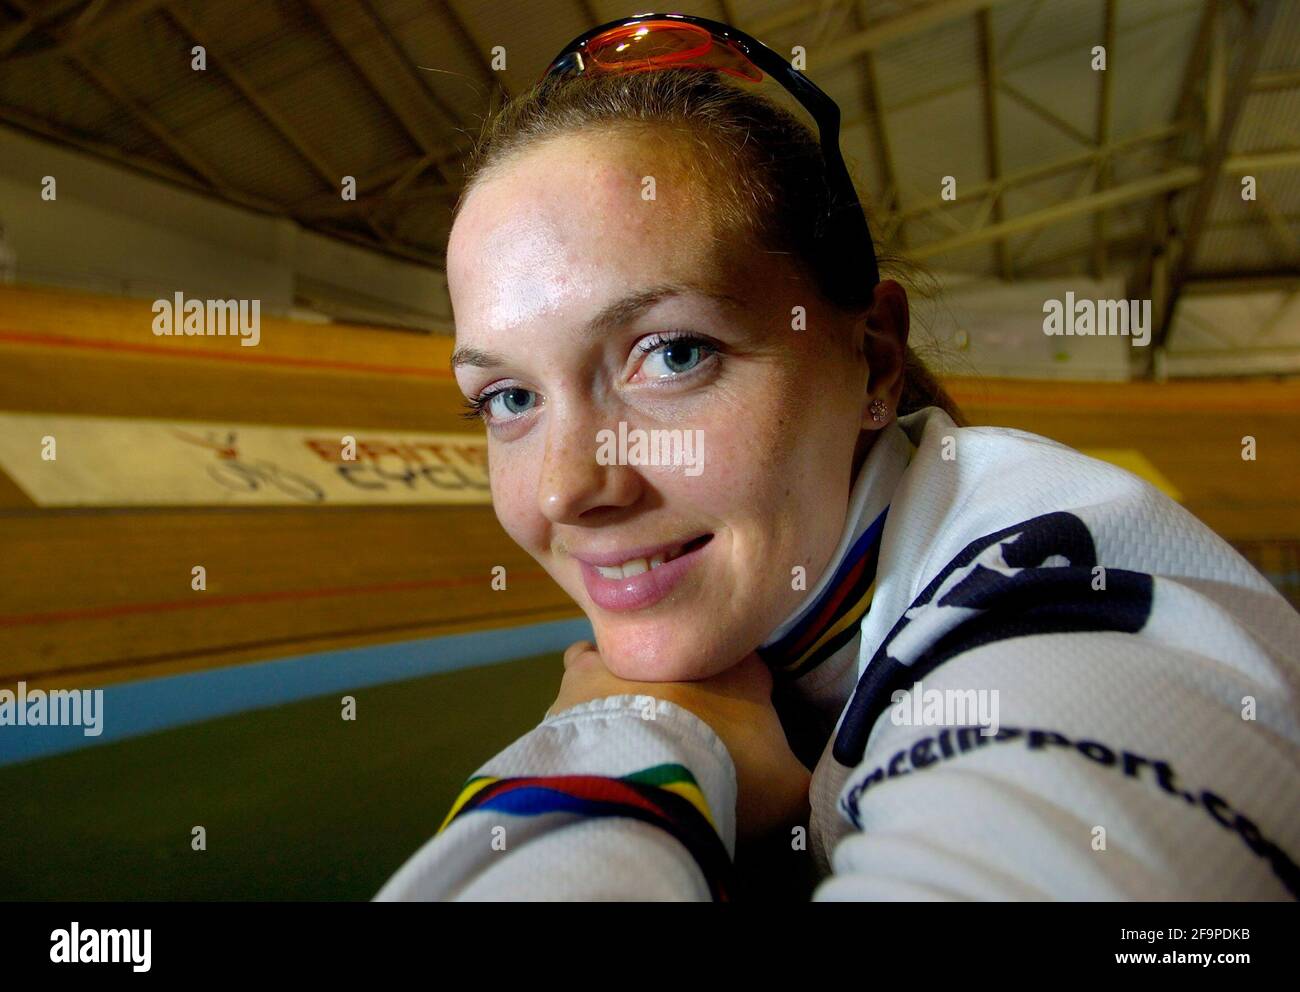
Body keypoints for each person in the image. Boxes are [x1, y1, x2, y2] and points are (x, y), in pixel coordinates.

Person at [375, 14, 1300, 901]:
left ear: (876, 361)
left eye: (673, 352)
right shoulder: (783, 590)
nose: (569, 486)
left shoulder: (1065, 610)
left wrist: (634, 735)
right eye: (509, 399)